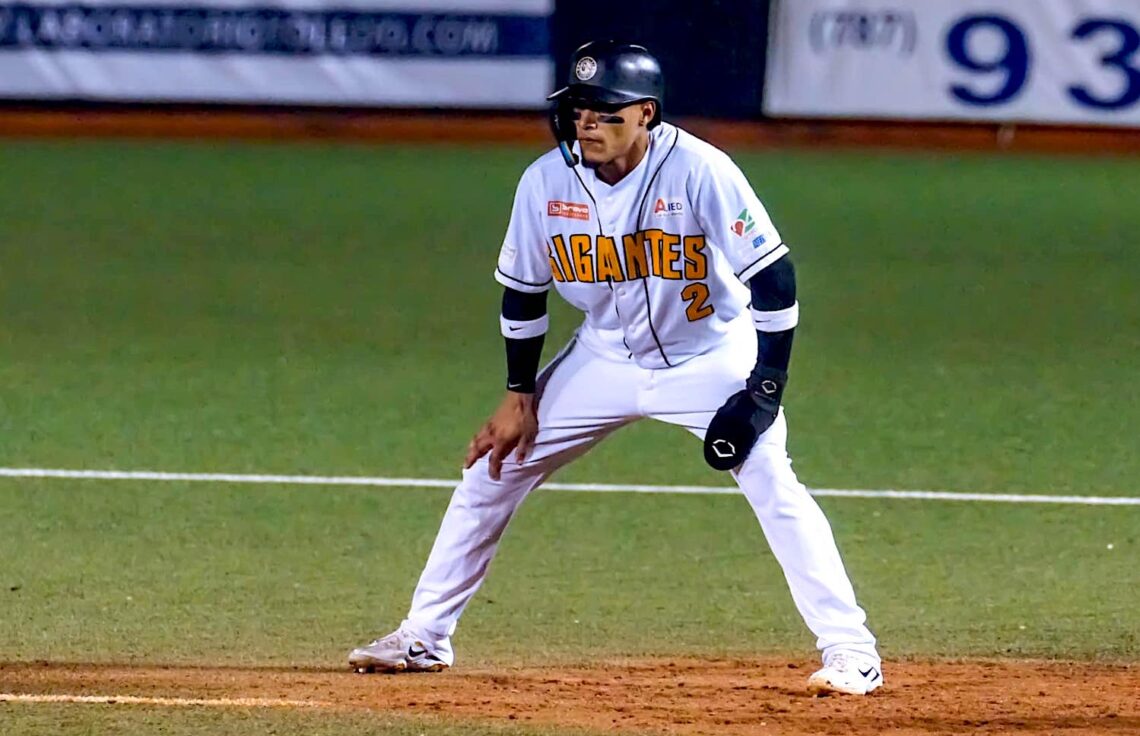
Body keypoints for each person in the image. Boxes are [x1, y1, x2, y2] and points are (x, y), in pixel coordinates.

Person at [349, 40, 883, 696]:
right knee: (493, 468)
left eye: (604, 112)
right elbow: (522, 292)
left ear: (647, 115)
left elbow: (774, 279)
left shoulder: (700, 170)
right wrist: (518, 394)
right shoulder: (544, 182)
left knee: (772, 481)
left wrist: (763, 388)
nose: (587, 125)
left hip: (710, 355)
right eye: (579, 111)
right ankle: (424, 637)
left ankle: (851, 650)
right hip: (602, 357)